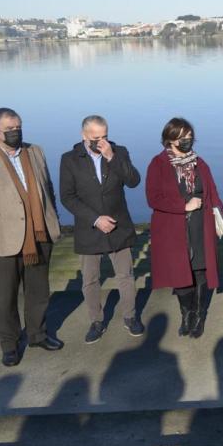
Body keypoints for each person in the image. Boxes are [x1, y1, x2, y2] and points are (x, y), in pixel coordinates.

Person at [0, 108, 63, 367]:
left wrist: (54, 221)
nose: (16, 132)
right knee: (6, 297)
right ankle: (9, 345)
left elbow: (47, 188)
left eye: (18, 127)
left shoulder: (35, 151)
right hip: (3, 239)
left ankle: (37, 335)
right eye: (10, 129)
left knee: (39, 292)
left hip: (39, 235)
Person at [59, 115, 144, 344]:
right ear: (84, 136)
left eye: (105, 136)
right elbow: (67, 197)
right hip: (90, 228)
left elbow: (134, 180)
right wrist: (95, 219)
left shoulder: (119, 152)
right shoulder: (69, 159)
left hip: (118, 226)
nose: (101, 141)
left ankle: (130, 317)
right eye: (96, 138)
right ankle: (96, 321)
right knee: (90, 280)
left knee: (125, 275)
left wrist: (111, 157)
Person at [145, 117, 223, 338]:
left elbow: (213, 191)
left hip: (201, 225)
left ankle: (199, 316)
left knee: (199, 269)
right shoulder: (158, 164)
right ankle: (186, 314)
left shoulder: (200, 163)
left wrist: (219, 216)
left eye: (190, 137)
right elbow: (153, 198)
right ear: (170, 140)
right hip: (173, 229)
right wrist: (183, 205)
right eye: (182, 138)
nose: (187, 141)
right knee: (181, 272)